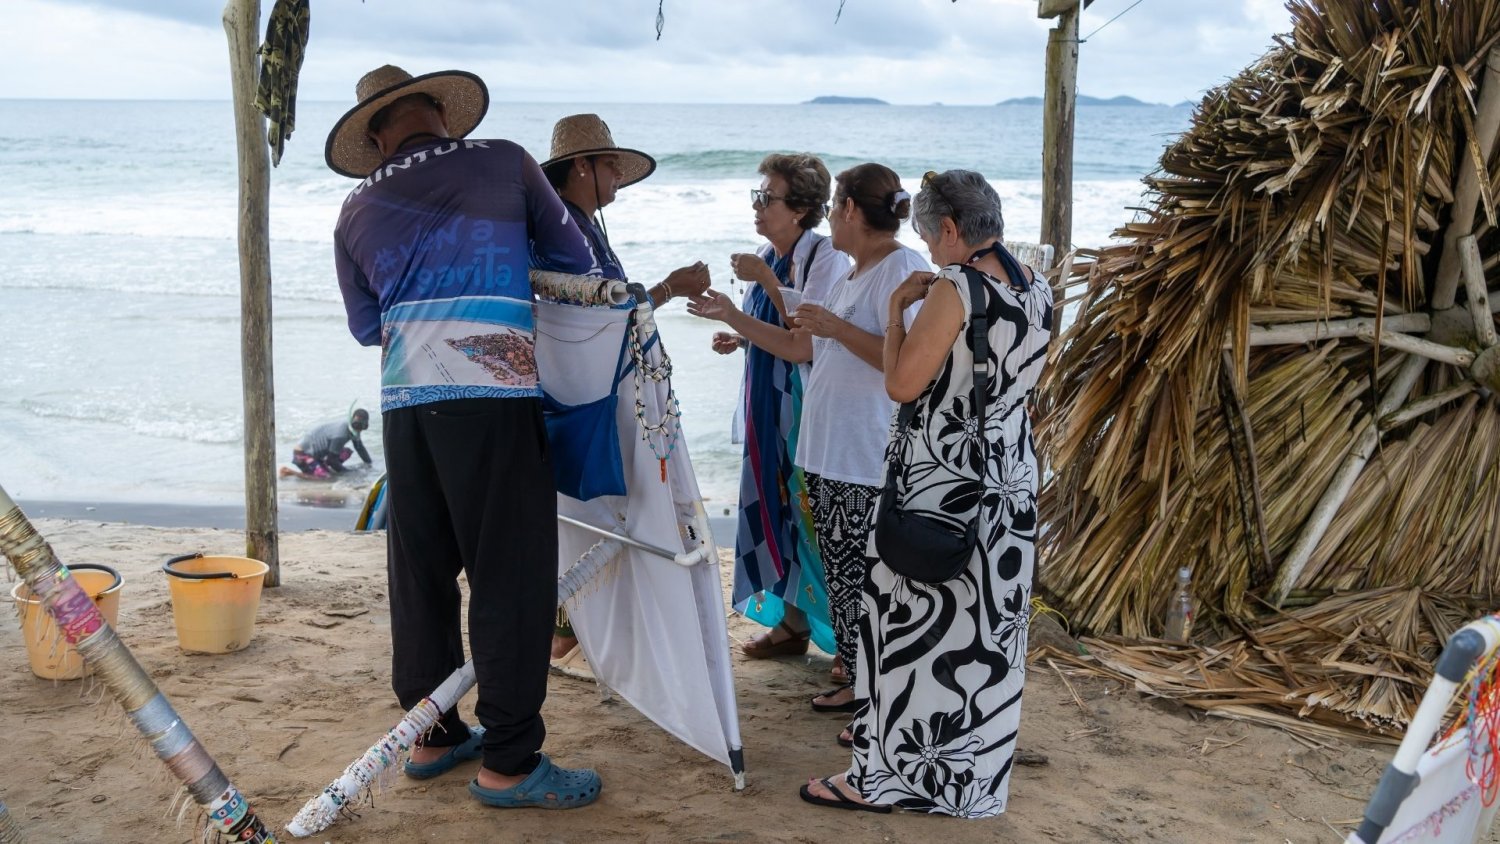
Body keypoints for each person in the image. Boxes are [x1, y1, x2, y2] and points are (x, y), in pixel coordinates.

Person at [327, 64, 602, 809]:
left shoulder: (354, 208)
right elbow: (575, 258)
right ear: (441, 116)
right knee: (509, 578)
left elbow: (364, 327)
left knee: (421, 572)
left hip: (404, 404)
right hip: (492, 391)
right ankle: (510, 762)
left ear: (377, 136)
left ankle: (433, 732)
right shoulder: (503, 159)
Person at [800, 170, 1052, 817]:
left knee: (903, 633)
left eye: (926, 236)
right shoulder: (1037, 288)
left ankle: (878, 780)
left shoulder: (958, 286)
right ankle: (967, 786)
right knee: (983, 646)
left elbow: (902, 385)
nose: (929, 250)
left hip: (940, 488)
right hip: (1009, 490)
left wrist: (892, 318)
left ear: (948, 228)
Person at [538, 113, 711, 675]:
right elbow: (604, 316)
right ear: (582, 167)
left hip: (592, 392)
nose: (618, 175)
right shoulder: (567, 232)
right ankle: (571, 632)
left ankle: (578, 630)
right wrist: (671, 287)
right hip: (590, 397)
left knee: (600, 511)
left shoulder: (577, 226)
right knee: (606, 511)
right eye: (610, 164)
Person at [686, 153, 850, 668]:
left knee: (811, 514)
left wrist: (755, 291)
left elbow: (804, 342)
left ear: (800, 209)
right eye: (756, 196)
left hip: (804, 408)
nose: (758, 206)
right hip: (768, 402)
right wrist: (739, 337)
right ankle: (791, 624)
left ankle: (848, 642)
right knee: (774, 508)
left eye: (768, 197)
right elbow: (773, 335)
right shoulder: (765, 253)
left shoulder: (826, 259)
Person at [787, 163, 928, 717]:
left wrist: (835, 328)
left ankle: (874, 690)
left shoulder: (902, 268)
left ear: (849, 210)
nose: (828, 218)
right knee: (843, 575)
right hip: (829, 452)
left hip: (864, 455)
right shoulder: (854, 274)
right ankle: (855, 676)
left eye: (833, 206)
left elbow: (910, 362)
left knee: (867, 579)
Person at [284, 408, 371, 479]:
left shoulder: (354, 431)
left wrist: (369, 464)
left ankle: (321, 466)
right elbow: (332, 460)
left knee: (346, 452)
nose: (359, 429)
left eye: (362, 427)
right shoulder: (341, 434)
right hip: (302, 455)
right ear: (352, 421)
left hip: (318, 454)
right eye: (357, 426)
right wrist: (348, 473)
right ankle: (289, 472)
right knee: (325, 477)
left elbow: (360, 448)